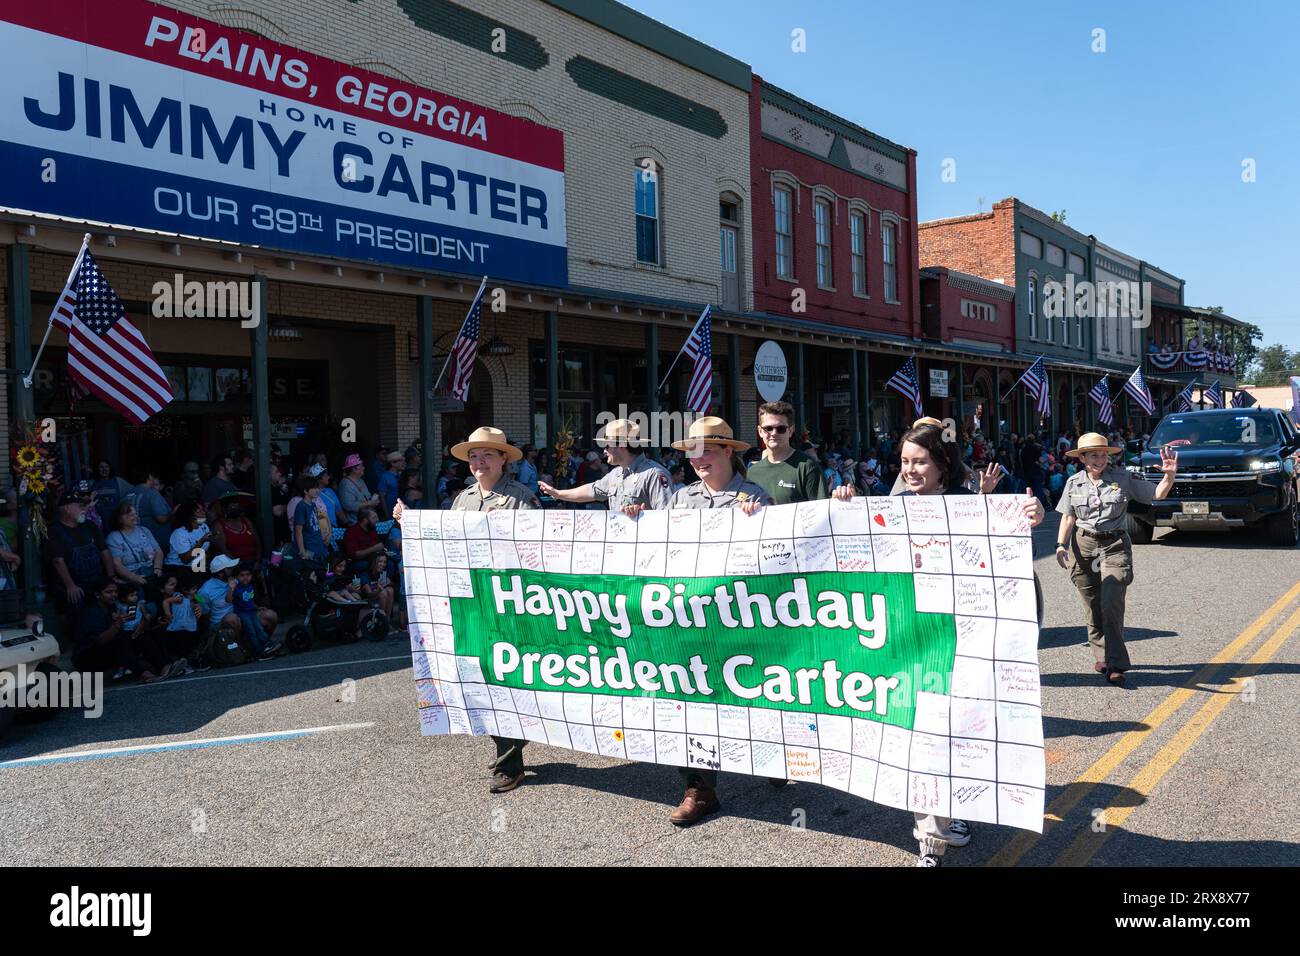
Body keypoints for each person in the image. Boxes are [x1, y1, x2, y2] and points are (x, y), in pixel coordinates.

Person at [890, 423, 1044, 866]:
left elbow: (1004, 538)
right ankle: (931, 842)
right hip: (913, 640)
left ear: (941, 464)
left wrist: (1027, 513)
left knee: (961, 731)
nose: (911, 469)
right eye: (904, 462)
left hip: (966, 638)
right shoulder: (890, 507)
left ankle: (954, 812)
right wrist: (842, 503)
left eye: (920, 461)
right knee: (925, 736)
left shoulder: (966, 505)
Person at [394, 426, 540, 795]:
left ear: (503, 459)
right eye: (474, 456)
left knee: (515, 680)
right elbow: (445, 540)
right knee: (486, 679)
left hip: (512, 604)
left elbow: (536, 549)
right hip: (475, 603)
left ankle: (514, 751)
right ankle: (509, 753)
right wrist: (410, 523)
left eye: (487, 454)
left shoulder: (521, 498)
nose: (479, 461)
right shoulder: (463, 499)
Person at [664, 416, 771, 825]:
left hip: (741, 618)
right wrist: (637, 517)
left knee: (753, 693)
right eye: (692, 451)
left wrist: (758, 523)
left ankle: (775, 752)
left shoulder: (755, 496)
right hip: (691, 618)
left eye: (707, 449)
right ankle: (700, 789)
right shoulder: (680, 499)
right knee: (688, 700)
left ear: (728, 450)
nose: (697, 459)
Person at [1055, 433, 1178, 684]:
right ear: (1082, 458)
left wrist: (1169, 476)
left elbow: (1157, 494)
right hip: (1084, 544)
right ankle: (1101, 654)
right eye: (1093, 455)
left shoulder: (1123, 478)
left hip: (1114, 544)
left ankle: (1117, 663)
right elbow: (1068, 517)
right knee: (1092, 603)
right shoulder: (1073, 482)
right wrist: (1060, 544)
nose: (1100, 460)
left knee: (1111, 601)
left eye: (1103, 455)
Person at [539, 419, 672, 513]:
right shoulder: (616, 474)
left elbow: (666, 517)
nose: (604, 451)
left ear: (622, 445)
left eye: (607, 445)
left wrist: (643, 516)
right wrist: (557, 493)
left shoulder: (654, 474)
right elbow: (591, 491)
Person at [74, 580, 178, 682]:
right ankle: (145, 674)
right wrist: (118, 624)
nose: (114, 595)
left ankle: (165, 667)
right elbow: (100, 640)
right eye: (109, 592)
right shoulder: (91, 612)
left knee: (141, 635)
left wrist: (146, 621)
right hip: (87, 657)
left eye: (115, 592)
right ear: (97, 594)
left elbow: (133, 628)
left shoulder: (116, 606)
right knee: (118, 641)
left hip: (114, 649)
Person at [45, 486, 115, 617]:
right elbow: (57, 561)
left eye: (84, 506)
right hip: (76, 585)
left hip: (97, 582)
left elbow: (104, 551)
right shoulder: (53, 531)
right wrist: (70, 586)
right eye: (80, 506)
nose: (84, 509)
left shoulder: (90, 525)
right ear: (67, 508)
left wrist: (110, 578)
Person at [746, 401, 828, 505]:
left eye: (781, 429)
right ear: (760, 431)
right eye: (768, 428)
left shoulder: (807, 467)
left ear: (790, 430)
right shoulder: (752, 472)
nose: (774, 433)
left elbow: (821, 511)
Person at [106, 502, 164, 591]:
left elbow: (158, 551)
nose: (135, 516)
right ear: (120, 519)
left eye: (135, 514)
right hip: (132, 578)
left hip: (152, 572)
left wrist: (157, 569)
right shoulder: (114, 537)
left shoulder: (144, 530)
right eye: (130, 515)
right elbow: (116, 563)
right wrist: (133, 577)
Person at [231, 564, 281, 658]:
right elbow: (229, 600)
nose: (245, 577)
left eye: (248, 574)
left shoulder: (250, 586)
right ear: (236, 577)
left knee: (259, 629)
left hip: (252, 612)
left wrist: (257, 607)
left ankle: (268, 645)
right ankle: (260, 652)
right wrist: (231, 589)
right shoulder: (237, 589)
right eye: (242, 575)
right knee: (252, 631)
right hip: (242, 613)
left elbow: (249, 601)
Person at [126, 470, 174, 551]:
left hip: (133, 542)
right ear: (149, 477)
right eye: (153, 477)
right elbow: (162, 519)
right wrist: (173, 512)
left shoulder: (127, 494)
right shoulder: (152, 494)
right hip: (155, 542)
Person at [165, 500, 211, 584]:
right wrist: (201, 541)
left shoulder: (204, 527)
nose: (203, 512)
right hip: (178, 568)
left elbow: (205, 552)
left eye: (203, 509)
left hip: (196, 565)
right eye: (199, 511)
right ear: (189, 516)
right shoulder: (179, 533)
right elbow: (185, 559)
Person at [210, 491, 260, 564]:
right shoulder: (218, 525)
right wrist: (239, 565)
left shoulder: (246, 521)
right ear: (225, 509)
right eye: (232, 506)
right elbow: (222, 550)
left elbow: (258, 543)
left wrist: (257, 561)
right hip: (233, 564)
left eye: (237, 505)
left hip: (253, 561)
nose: (235, 507)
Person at [291, 475, 330, 563]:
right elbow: (298, 531)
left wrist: (327, 535)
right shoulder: (301, 506)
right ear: (305, 491)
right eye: (314, 488)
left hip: (319, 547)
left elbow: (322, 521)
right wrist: (302, 551)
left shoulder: (313, 505)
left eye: (317, 488)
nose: (317, 490)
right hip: (309, 548)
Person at [338, 453, 381, 526]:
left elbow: (367, 496)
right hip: (357, 524)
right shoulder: (345, 484)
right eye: (361, 466)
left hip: (368, 522)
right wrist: (370, 503)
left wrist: (373, 501)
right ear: (354, 469)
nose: (364, 468)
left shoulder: (360, 480)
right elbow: (348, 506)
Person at [343, 506, 387, 572]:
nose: (377, 519)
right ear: (365, 520)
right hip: (358, 562)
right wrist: (374, 548)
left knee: (390, 562)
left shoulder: (372, 529)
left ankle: (384, 581)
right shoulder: (351, 532)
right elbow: (354, 555)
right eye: (374, 517)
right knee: (372, 565)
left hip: (374, 559)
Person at [377, 451, 404, 515]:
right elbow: (382, 497)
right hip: (391, 512)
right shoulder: (385, 477)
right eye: (400, 461)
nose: (403, 463)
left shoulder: (400, 475)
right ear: (393, 463)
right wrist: (386, 513)